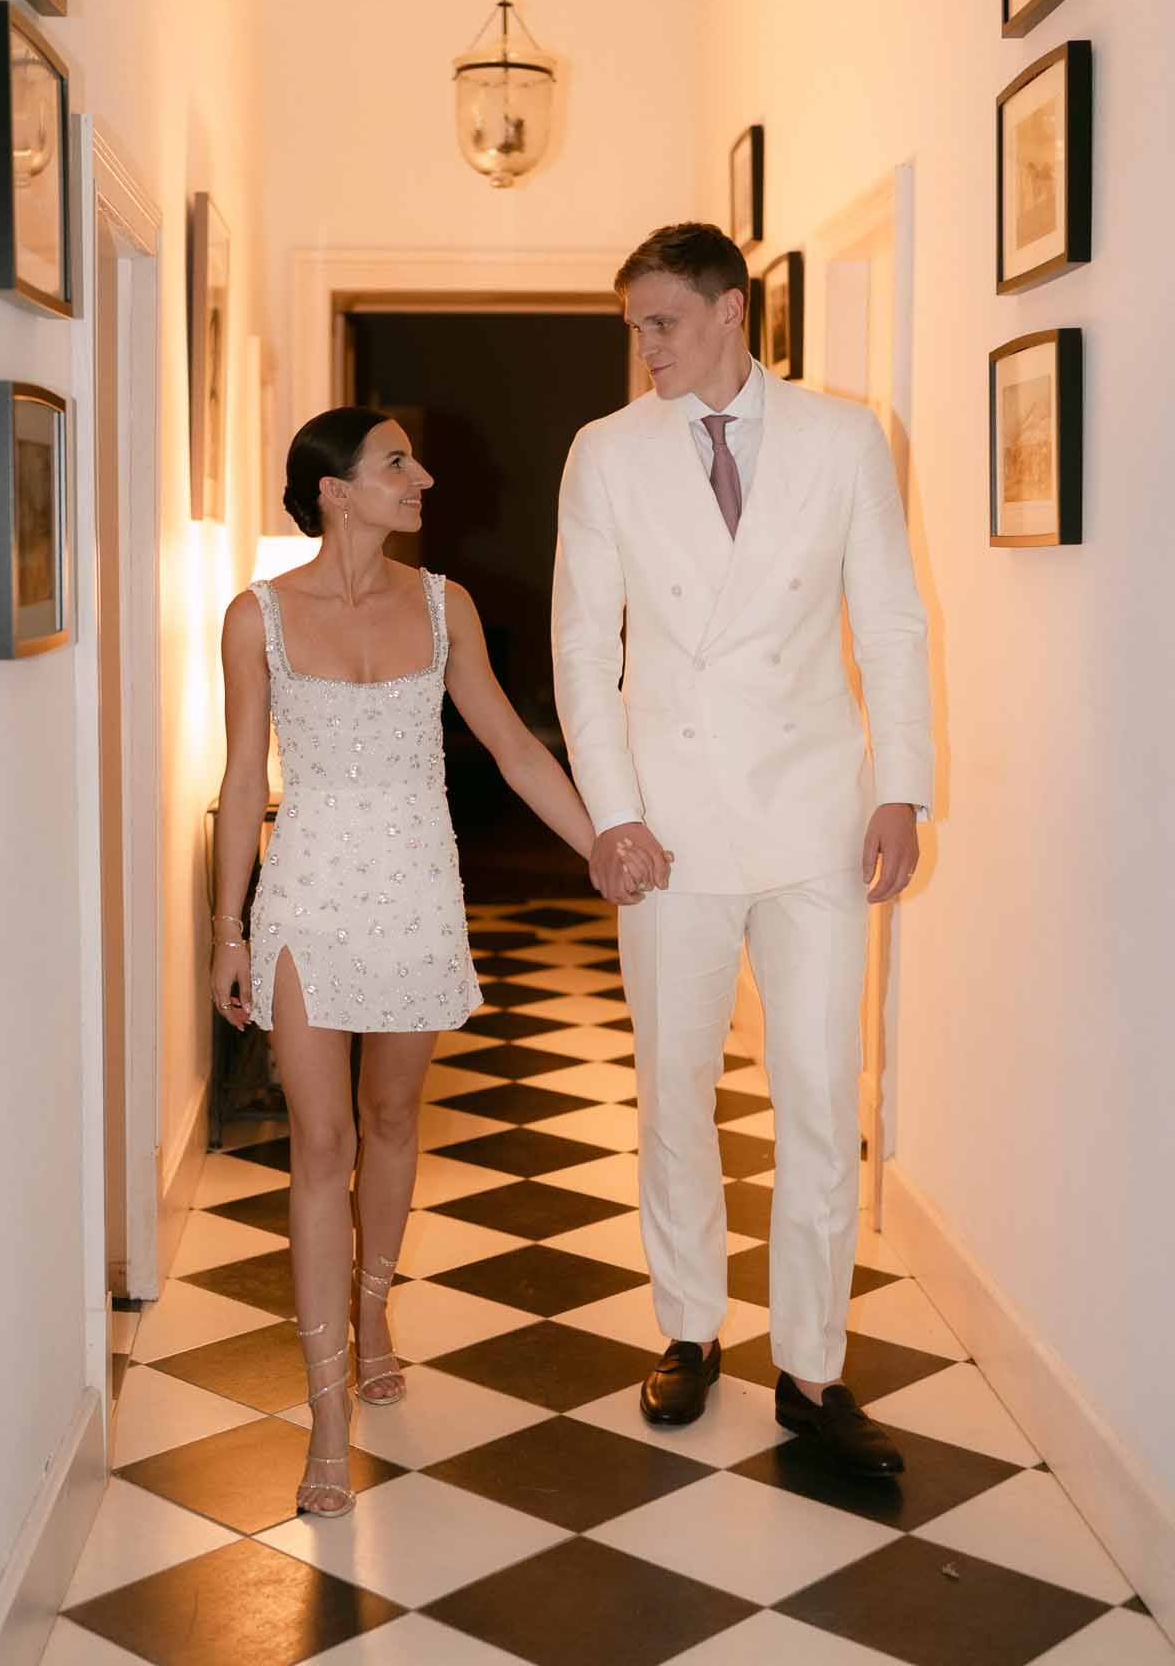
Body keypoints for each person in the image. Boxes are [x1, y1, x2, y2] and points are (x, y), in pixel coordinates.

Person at [553, 222, 933, 1476]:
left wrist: (903, 787)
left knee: (823, 1094)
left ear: (727, 312)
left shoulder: (841, 437)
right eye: (633, 325)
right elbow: (581, 648)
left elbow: (888, 618)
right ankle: (688, 1328)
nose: (642, 347)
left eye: (659, 322)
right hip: (667, 826)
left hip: (820, 814)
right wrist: (613, 811)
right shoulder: (605, 454)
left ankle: (813, 1368)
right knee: (673, 1092)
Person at [210, 406, 605, 1518]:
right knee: (319, 1138)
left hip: (417, 886)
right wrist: (227, 928)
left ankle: (373, 1305)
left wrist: (601, 845)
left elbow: (513, 743)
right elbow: (245, 779)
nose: (420, 475)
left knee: (390, 1119)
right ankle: (326, 1410)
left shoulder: (444, 605)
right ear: (334, 490)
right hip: (307, 892)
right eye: (396, 462)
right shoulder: (256, 618)